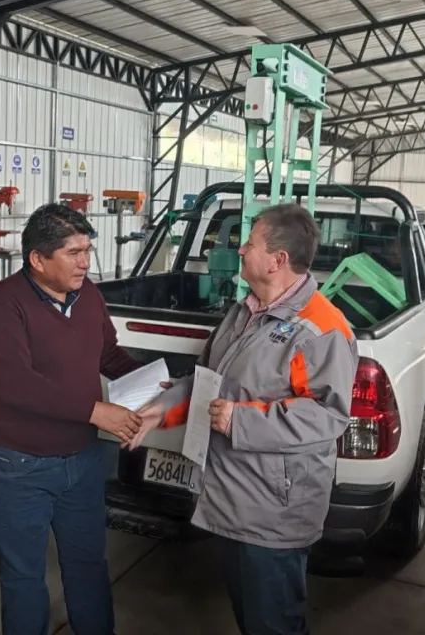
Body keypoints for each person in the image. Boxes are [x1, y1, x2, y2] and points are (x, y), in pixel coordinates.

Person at [130, 203, 358, 635]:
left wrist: (241, 420)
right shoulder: (244, 312)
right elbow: (210, 380)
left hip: (274, 508)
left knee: (273, 624)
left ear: (277, 260)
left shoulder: (322, 329)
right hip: (232, 496)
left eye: (249, 244)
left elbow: (328, 415)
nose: (238, 251)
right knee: (252, 617)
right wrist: (163, 410)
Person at [0, 203, 147, 635]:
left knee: (88, 564)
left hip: (82, 460)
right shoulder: (0, 305)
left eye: (87, 250)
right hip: (20, 465)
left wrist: (149, 381)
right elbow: (15, 384)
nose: (85, 262)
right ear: (38, 259)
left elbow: (105, 353)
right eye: (73, 252)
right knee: (23, 577)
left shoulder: (87, 295)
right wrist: (95, 410)